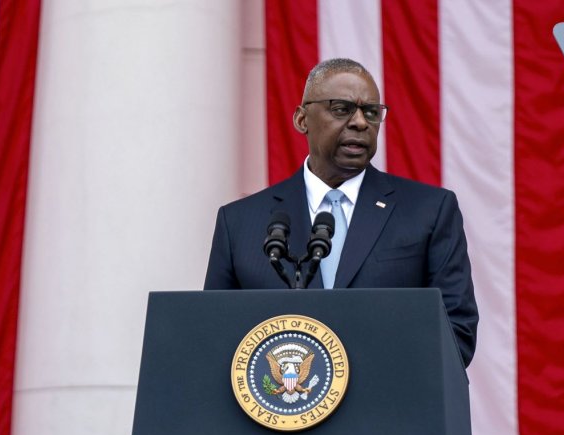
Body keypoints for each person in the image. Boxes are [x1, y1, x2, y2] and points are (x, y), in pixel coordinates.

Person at [204, 58, 478, 367]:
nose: (361, 123)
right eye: (341, 109)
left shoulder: (429, 211)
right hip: (282, 405)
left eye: (372, 113)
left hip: (388, 410)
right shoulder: (239, 223)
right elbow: (215, 338)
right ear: (301, 119)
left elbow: (457, 334)